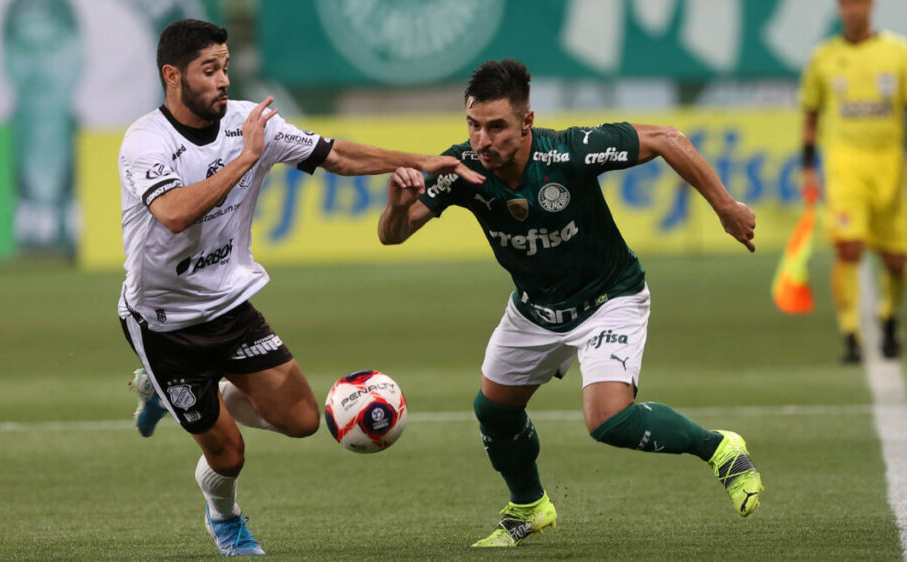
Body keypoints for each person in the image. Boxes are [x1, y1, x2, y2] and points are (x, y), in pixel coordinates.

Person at [117, 19, 483, 557]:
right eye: (209, 70)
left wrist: (422, 161)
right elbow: (172, 214)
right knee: (230, 457)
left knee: (304, 421)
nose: (224, 79)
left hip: (229, 306)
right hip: (164, 323)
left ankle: (176, 396)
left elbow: (335, 155)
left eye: (225, 66)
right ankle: (226, 518)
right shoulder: (145, 141)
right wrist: (246, 157)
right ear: (173, 76)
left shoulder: (249, 121)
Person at [377, 59, 763, 548]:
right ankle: (530, 506)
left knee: (608, 421)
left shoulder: (571, 152)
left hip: (608, 297)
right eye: (474, 126)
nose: (482, 140)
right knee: (494, 411)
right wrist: (394, 204)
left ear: (527, 122)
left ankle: (720, 449)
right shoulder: (463, 170)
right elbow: (393, 235)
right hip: (535, 309)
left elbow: (667, 138)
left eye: (496, 127)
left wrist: (725, 206)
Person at [800, 0, 907, 363]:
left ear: (871, 6)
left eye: (857, 3)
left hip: (890, 165)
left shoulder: (897, 53)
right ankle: (851, 333)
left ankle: (888, 315)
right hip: (845, 165)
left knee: (896, 260)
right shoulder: (824, 57)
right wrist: (808, 166)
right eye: (845, 4)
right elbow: (811, 114)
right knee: (849, 248)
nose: (851, 10)